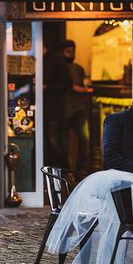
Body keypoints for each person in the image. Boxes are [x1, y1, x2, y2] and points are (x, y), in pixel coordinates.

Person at [60, 40, 93, 171]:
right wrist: (84, 90)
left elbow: (82, 84)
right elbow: (70, 86)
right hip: (62, 109)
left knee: (85, 139)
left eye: (72, 51)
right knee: (63, 143)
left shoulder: (78, 68)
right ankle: (66, 171)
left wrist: (85, 88)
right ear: (62, 52)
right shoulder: (60, 68)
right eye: (68, 51)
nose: (71, 54)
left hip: (77, 108)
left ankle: (80, 170)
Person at [43, 45, 72, 168]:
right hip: (40, 109)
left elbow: (68, 83)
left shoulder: (56, 60)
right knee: (45, 143)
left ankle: (64, 171)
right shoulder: (35, 59)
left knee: (54, 142)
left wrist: (47, 87)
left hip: (53, 108)